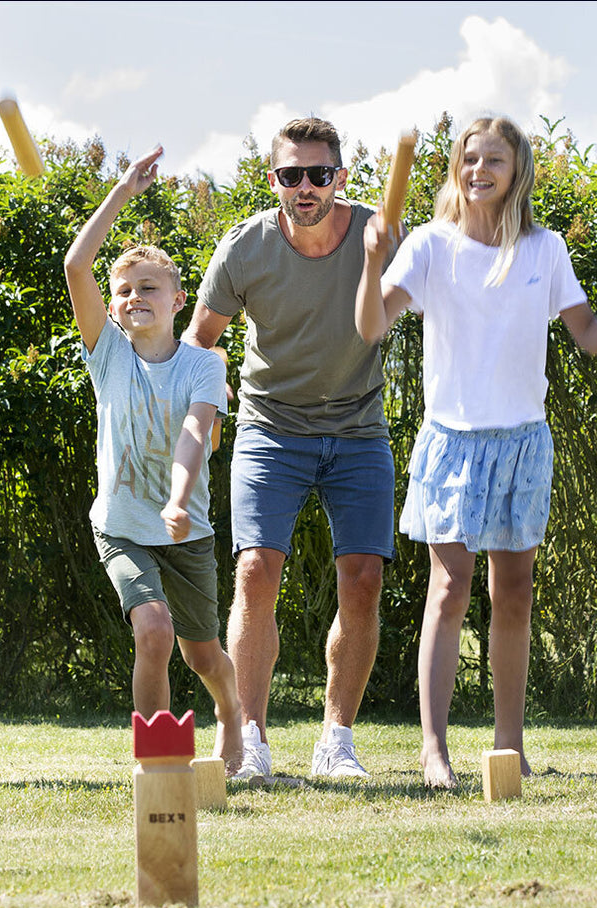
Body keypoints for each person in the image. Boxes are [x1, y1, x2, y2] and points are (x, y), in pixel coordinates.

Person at [356, 115, 597, 789]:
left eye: (494, 159)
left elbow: (586, 333)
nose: (479, 170)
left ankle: (508, 747)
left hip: (522, 440)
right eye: (469, 158)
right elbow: (370, 327)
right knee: (450, 588)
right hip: (453, 441)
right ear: (456, 170)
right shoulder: (429, 246)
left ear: (517, 171)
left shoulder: (543, 251)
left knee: (512, 594)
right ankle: (434, 750)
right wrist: (373, 261)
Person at [183, 117, 397, 779]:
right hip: (270, 429)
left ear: (340, 175)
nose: (304, 187)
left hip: (359, 428)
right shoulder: (245, 248)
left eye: (318, 174)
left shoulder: (379, 236)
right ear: (271, 177)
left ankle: (337, 742)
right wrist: (202, 413)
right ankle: (250, 743)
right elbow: (201, 339)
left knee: (363, 580)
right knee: (255, 573)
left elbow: (439, 299)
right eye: (290, 174)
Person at [63, 146, 244, 772]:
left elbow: (196, 429)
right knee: (153, 630)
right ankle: (158, 762)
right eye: (123, 290)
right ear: (111, 306)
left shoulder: (203, 364)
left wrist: (176, 495)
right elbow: (75, 263)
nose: (134, 297)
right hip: (120, 527)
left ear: (177, 299)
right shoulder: (106, 352)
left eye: (149, 288)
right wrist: (122, 192)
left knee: (202, 654)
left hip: (186, 527)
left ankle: (230, 711)